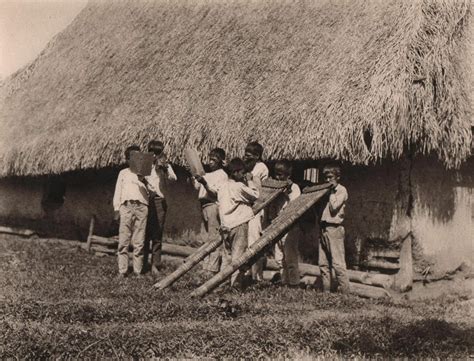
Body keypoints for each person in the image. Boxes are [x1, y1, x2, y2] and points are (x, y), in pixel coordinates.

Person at [218, 158, 259, 288]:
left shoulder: (222, 186)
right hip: (238, 224)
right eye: (242, 172)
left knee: (227, 256)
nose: (243, 175)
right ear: (235, 173)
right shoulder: (239, 187)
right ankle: (235, 285)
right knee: (238, 257)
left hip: (225, 225)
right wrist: (250, 181)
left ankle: (221, 283)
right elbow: (255, 195)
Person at [112, 145, 149, 277]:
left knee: (139, 240)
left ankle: (137, 271)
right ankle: (123, 270)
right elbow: (118, 192)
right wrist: (117, 209)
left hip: (141, 207)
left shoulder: (146, 173)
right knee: (123, 239)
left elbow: (154, 191)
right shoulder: (123, 173)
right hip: (126, 206)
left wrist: (144, 179)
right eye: (133, 156)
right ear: (127, 159)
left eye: (139, 156)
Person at [144, 140, 177, 276]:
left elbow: (174, 178)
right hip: (146, 200)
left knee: (157, 233)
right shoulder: (144, 164)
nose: (155, 155)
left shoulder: (164, 165)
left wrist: (166, 168)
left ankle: (155, 265)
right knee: (145, 233)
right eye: (152, 152)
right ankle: (143, 262)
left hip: (159, 201)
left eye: (158, 152)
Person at [192, 148, 228, 274]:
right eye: (210, 159)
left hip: (213, 205)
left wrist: (205, 183)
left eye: (214, 160)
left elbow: (216, 193)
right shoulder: (206, 174)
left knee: (213, 238)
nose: (211, 162)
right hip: (203, 206)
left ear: (221, 161)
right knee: (205, 238)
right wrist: (194, 177)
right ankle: (205, 266)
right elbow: (197, 188)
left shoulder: (222, 175)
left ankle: (212, 268)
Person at [266, 160, 301, 287]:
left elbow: (295, 206)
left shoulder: (294, 188)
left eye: (281, 175)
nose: (278, 177)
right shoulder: (276, 188)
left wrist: (287, 192)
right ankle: (284, 280)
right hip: (278, 226)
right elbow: (272, 206)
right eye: (276, 174)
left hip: (290, 227)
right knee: (279, 256)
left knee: (290, 256)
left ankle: (294, 283)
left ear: (288, 175)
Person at [319, 163, 350, 293]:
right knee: (323, 263)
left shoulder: (341, 190)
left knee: (338, 263)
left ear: (337, 177)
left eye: (330, 177)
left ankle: (344, 293)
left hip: (335, 228)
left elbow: (334, 207)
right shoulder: (326, 191)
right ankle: (326, 291)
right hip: (324, 227)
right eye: (325, 178)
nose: (327, 180)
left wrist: (331, 192)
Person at [243, 141, 269, 281]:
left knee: (254, 241)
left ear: (257, 156)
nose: (245, 157)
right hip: (248, 208)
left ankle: (256, 276)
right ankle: (247, 273)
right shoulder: (250, 167)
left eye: (248, 155)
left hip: (257, 208)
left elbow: (258, 190)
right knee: (246, 241)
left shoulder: (260, 167)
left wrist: (248, 180)